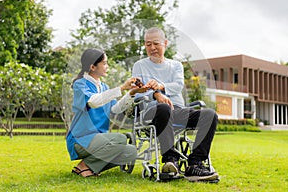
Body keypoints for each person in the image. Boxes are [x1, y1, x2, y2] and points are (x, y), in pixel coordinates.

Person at [132, 27, 219, 182]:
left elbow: (178, 85)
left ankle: (195, 164)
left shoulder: (176, 65)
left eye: (156, 43)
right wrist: (155, 94)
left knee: (210, 115)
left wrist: (160, 86)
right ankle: (170, 160)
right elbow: (138, 90)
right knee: (163, 107)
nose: (152, 48)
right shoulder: (139, 65)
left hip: (177, 111)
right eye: (148, 44)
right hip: (152, 112)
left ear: (165, 43)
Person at [66, 48, 147, 177]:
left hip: (100, 141)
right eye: (104, 63)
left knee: (131, 152)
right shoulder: (80, 84)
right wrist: (121, 88)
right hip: (80, 140)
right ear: (93, 67)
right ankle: (84, 166)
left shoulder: (104, 87)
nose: (107, 66)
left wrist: (131, 93)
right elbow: (93, 102)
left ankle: (87, 167)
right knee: (120, 138)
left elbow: (116, 109)